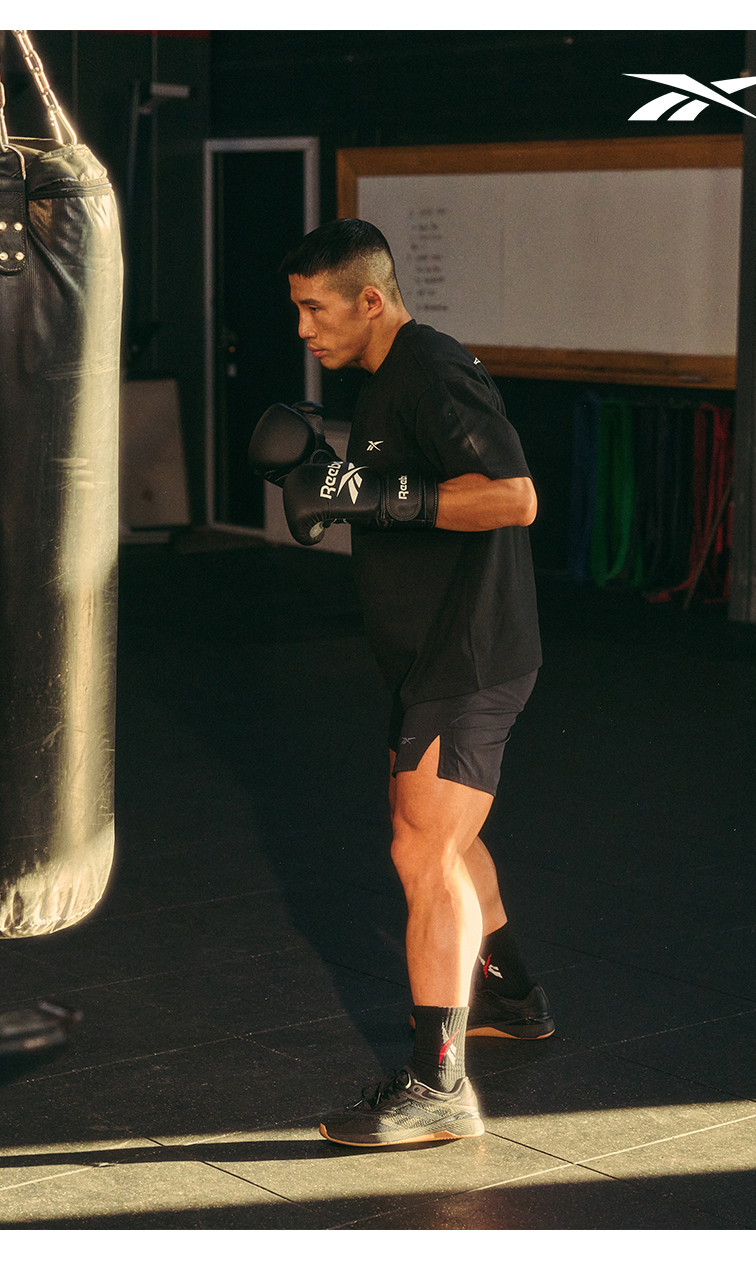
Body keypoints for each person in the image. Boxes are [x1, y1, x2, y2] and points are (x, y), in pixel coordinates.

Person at [249, 219, 553, 1149]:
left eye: (315, 308)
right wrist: (338, 479)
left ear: (370, 300)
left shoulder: (430, 368)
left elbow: (512, 496)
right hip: (427, 661)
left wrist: (380, 497)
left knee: (422, 853)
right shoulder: (383, 382)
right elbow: (408, 494)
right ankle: (515, 998)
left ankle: (438, 1087)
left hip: (467, 659)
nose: (303, 327)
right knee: (443, 840)